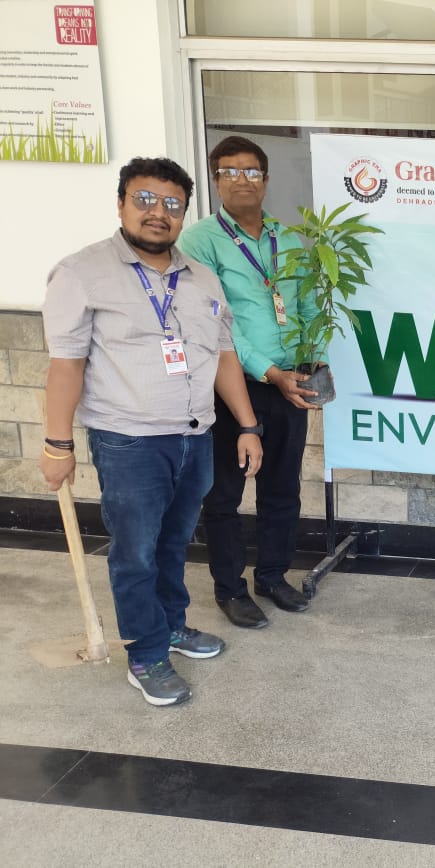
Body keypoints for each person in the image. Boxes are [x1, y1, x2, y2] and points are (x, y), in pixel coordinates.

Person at [40, 157, 263, 706]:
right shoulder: (81, 273)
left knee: (175, 540)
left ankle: (170, 624)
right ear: (121, 204)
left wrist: (248, 424)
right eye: (144, 200)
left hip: (195, 438)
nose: (157, 214)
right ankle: (145, 652)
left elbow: (226, 356)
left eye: (171, 204)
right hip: (129, 441)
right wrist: (56, 442)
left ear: (184, 213)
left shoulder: (202, 279)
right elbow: (66, 363)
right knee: (136, 551)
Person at [180, 136, 322, 629]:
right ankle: (230, 589)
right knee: (224, 493)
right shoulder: (200, 241)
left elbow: (304, 303)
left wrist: (306, 363)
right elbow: (218, 322)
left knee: (282, 487)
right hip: (232, 384)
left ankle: (273, 576)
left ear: (266, 179)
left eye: (252, 171)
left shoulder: (287, 236)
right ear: (215, 180)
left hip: (288, 384)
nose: (242, 179)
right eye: (230, 171)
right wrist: (271, 371)